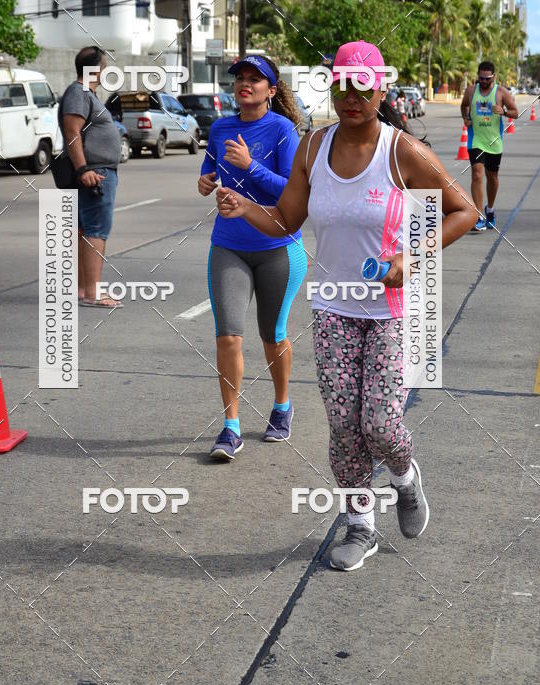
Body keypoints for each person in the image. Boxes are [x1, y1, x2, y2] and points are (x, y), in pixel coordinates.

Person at [216, 40, 477, 569]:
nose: (352, 96)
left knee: (379, 423)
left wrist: (412, 256)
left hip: (393, 310)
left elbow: (464, 210)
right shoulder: (313, 148)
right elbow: (287, 220)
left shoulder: (402, 150)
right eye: (342, 85)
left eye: (363, 85)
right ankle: (361, 525)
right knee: (343, 425)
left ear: (380, 88)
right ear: (331, 87)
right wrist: (246, 207)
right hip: (334, 309)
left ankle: (405, 478)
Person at [198, 55, 308, 461]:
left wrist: (251, 166)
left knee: (272, 336)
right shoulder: (221, 127)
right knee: (228, 335)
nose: (245, 85)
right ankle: (231, 427)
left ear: (271, 90)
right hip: (228, 244)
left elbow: (290, 194)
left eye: (255, 80)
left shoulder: (282, 130)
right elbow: (211, 169)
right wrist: (206, 180)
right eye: (240, 79)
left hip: (278, 247)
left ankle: (282, 406)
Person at [58, 46, 123, 308]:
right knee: (96, 230)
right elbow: (72, 131)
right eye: (103, 66)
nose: (106, 70)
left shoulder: (87, 94)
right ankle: (93, 292)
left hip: (95, 170)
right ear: (94, 68)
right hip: (94, 172)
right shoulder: (78, 92)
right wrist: (83, 169)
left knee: (84, 230)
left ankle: (83, 290)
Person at [460, 60, 518, 232]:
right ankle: (479, 215)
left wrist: (504, 112)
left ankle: (490, 210)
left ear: (494, 77)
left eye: (487, 79)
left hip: (494, 142)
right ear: (477, 76)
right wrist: (465, 117)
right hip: (475, 140)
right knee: (477, 174)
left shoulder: (501, 92)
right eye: (481, 78)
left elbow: (515, 112)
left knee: (492, 177)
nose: (484, 82)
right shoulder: (471, 90)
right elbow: (464, 106)